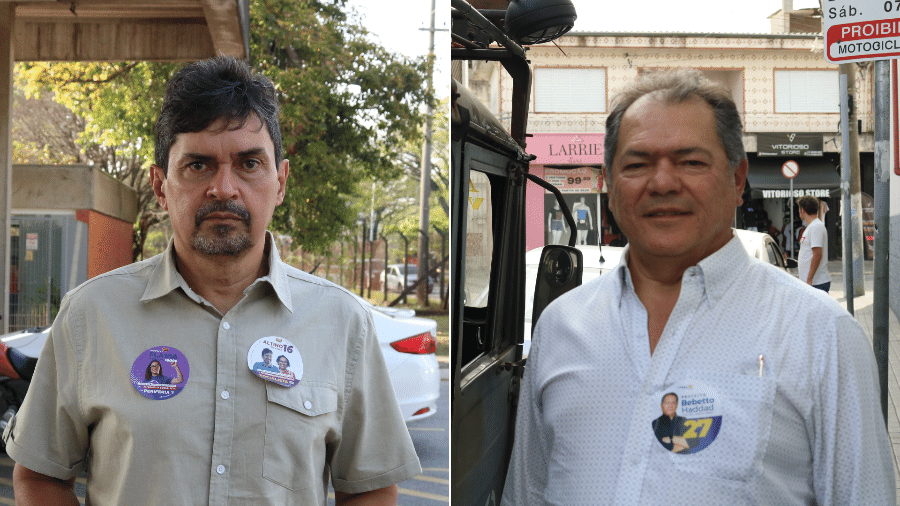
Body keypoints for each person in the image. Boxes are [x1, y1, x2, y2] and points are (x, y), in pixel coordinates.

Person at [5, 56, 420, 506]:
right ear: (161, 185)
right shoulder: (91, 316)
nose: (224, 188)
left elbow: (371, 488)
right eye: (199, 165)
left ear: (279, 183)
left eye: (248, 163)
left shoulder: (343, 323)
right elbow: (41, 475)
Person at [502, 69, 893, 505]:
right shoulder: (560, 327)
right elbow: (527, 493)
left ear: (738, 179)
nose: (663, 182)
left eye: (691, 162)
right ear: (610, 183)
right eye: (636, 164)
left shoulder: (821, 337)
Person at [797, 195, 831, 292]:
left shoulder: (816, 227)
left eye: (799, 209)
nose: (799, 211)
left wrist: (809, 279)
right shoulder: (812, 227)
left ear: (802, 210)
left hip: (816, 283)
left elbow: (817, 255)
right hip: (813, 283)